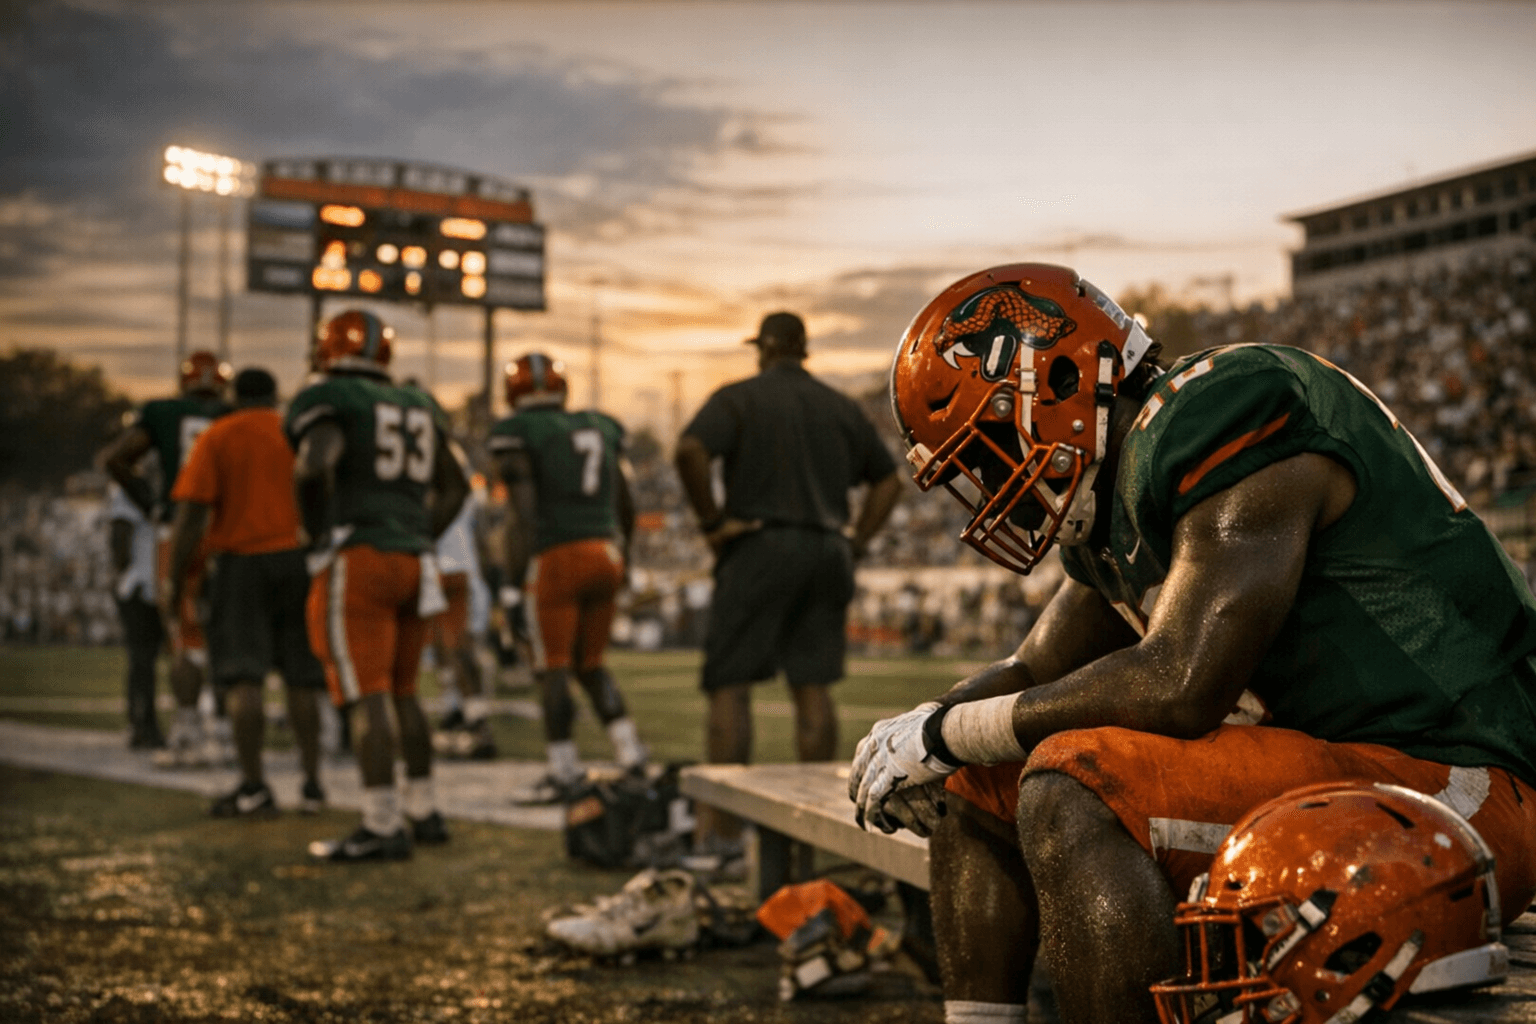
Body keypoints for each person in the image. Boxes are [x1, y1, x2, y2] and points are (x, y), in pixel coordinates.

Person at [847, 263, 1536, 1024]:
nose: (990, 484)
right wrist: (921, 731)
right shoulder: (1119, 494)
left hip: (1454, 786)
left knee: (1073, 783)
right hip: (1348, 773)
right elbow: (1033, 668)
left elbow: (1181, 682)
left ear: (1058, 384)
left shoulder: (1225, 404)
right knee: (971, 782)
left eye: (988, 451)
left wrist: (950, 732)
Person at [675, 311, 903, 861]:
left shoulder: (739, 396)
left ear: (763, 350)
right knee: (813, 687)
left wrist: (711, 523)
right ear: (803, 350)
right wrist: (857, 542)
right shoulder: (839, 406)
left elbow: (689, 450)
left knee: (731, 685)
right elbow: (889, 479)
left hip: (759, 544)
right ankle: (811, 834)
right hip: (827, 548)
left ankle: (724, 836)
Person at [287, 309, 469, 861]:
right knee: (405, 691)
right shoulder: (419, 403)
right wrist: (418, 532)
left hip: (360, 554)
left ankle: (382, 822)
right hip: (415, 559)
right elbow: (457, 486)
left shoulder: (331, 397)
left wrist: (317, 534)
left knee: (368, 695)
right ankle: (424, 810)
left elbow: (312, 465)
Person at [166, 367, 327, 818]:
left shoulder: (218, 435)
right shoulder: (296, 433)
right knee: (302, 680)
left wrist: (176, 578)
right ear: (276, 396)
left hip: (241, 562)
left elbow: (192, 513)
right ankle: (312, 783)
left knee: (244, 679)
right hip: (297, 558)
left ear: (235, 395)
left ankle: (254, 785)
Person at [487, 352, 647, 803]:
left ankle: (562, 770)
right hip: (606, 552)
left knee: (552, 668)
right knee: (591, 665)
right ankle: (631, 754)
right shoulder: (599, 426)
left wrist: (511, 585)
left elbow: (523, 517)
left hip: (557, 556)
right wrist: (624, 556)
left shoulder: (518, 431)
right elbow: (626, 502)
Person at [100, 350, 233, 767]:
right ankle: (224, 728)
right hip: (229, 532)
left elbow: (115, 459)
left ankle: (188, 727)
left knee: (183, 637)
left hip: (178, 530)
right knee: (227, 633)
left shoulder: (163, 413)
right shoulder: (236, 415)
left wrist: (151, 503)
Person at [106, 482, 166, 750]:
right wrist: (123, 571)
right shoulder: (130, 491)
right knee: (142, 659)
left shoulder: (146, 489)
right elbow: (120, 534)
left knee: (144, 659)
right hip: (140, 585)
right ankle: (142, 724)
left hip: (149, 585)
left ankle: (141, 722)